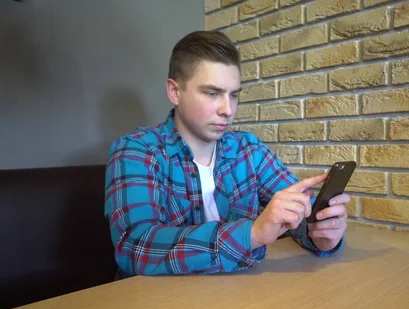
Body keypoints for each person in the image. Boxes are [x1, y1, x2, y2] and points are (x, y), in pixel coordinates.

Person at [103, 30, 350, 277]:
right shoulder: (137, 151)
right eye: (212, 93)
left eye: (233, 95)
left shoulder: (248, 149)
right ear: (174, 92)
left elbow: (294, 215)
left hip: (240, 299)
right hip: (161, 307)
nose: (227, 109)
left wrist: (320, 235)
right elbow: (136, 247)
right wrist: (251, 234)